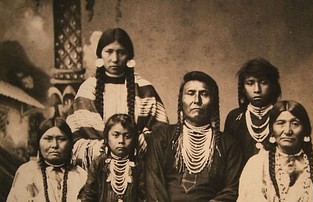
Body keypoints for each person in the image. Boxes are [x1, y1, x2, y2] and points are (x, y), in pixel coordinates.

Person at [66, 28, 168, 170]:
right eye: (109, 52)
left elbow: (161, 131)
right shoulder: (87, 90)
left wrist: (141, 141)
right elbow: (73, 135)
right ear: (100, 55)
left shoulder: (144, 89)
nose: (114, 59)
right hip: (96, 167)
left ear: (129, 56)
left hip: (139, 166)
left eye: (121, 52)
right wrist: (102, 147)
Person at [146, 71, 242, 202]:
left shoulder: (229, 144)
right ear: (181, 100)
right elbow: (153, 182)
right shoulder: (162, 136)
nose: (197, 100)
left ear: (214, 102)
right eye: (190, 93)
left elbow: (233, 189)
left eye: (204, 94)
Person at [237, 100, 313, 202]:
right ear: (272, 130)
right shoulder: (256, 165)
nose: (288, 131)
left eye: (295, 124)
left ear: (305, 130)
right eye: (280, 123)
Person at [7, 117, 87, 202]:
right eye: (48, 139)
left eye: (61, 139)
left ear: (70, 144)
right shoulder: (27, 172)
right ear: (38, 143)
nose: (55, 145)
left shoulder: (80, 176)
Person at [224, 58, 281, 170]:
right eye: (250, 83)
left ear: (273, 85)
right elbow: (228, 159)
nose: (257, 89)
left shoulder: (282, 115)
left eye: (263, 82)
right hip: (241, 183)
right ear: (243, 88)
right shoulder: (235, 118)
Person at [79, 113, 145, 201]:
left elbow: (144, 197)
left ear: (134, 139)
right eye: (116, 135)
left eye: (127, 136)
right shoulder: (98, 163)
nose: (121, 141)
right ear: (107, 137)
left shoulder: (139, 165)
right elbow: (88, 196)